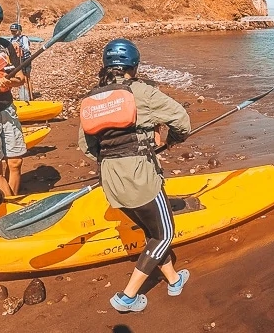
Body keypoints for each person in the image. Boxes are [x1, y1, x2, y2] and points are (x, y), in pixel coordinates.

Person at [78, 38, 192, 313]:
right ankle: (127, 297)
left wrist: (113, 161)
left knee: (150, 231)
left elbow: (86, 146)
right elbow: (182, 121)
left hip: (111, 182)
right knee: (164, 235)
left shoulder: (92, 97)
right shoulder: (143, 92)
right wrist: (172, 140)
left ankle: (174, 279)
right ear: (135, 66)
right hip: (142, 179)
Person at [0, 0, 28, 196]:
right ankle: (9, 210)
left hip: (7, 109)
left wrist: (11, 82)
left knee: (15, 162)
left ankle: (12, 205)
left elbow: (20, 77)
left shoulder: (5, 46)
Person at [9, 23, 32, 101]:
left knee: (27, 78)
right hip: (17, 61)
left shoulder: (23, 38)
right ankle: (23, 97)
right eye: (12, 31)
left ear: (19, 31)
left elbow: (27, 48)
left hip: (25, 60)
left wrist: (20, 45)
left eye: (14, 31)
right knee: (19, 78)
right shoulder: (11, 40)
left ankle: (31, 96)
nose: (13, 33)